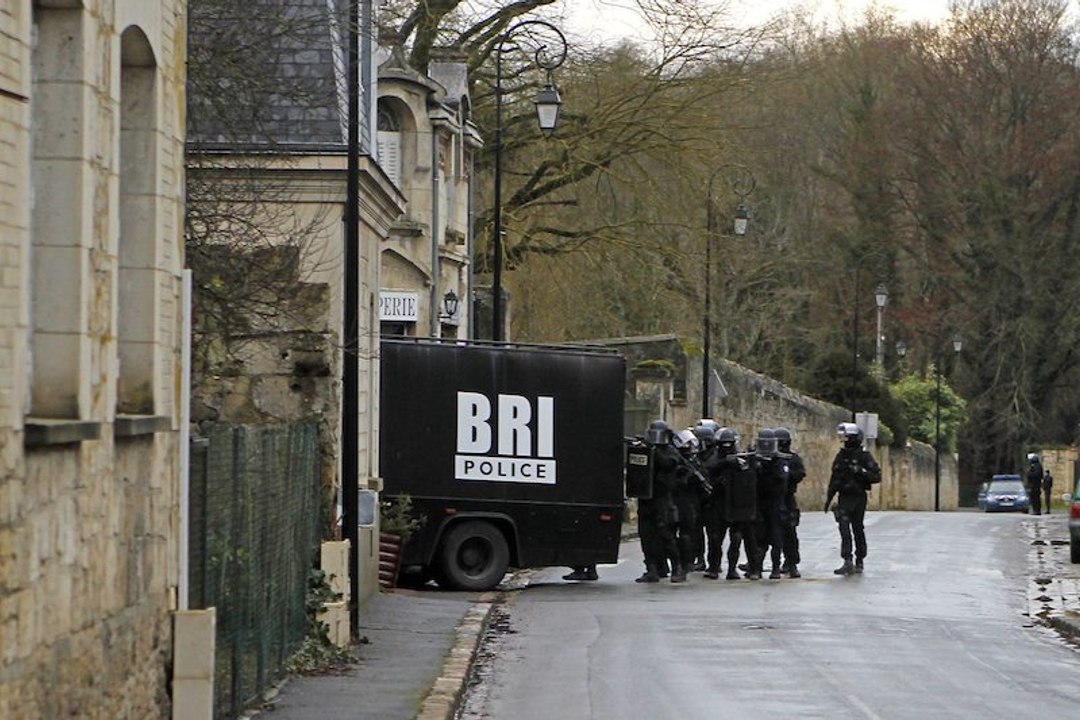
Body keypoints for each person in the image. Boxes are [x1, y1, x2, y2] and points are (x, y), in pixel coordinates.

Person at [824, 422, 881, 576]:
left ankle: (860, 559)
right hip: (844, 497)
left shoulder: (864, 456)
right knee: (843, 527)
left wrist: (861, 471)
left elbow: (876, 476)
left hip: (858, 497)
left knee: (857, 528)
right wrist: (829, 498)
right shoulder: (841, 456)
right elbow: (834, 478)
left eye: (847, 438)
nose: (844, 441)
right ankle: (847, 560)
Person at [635, 420, 683, 583]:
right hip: (646, 498)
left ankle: (677, 567)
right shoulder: (645, 450)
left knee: (666, 535)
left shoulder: (670, 451)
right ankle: (652, 569)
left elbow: (668, 464)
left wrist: (653, 450)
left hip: (662, 499)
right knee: (646, 536)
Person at [752, 428, 788, 579]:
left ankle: (775, 568)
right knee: (759, 537)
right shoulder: (754, 460)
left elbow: (782, 484)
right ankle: (756, 568)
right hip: (760, 504)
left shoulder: (780, 461)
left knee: (776, 537)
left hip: (775, 504)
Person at [774, 427, 805, 578]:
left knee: (789, 533)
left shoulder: (792, 459)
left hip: (787, 498)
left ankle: (791, 562)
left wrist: (785, 473)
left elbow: (800, 473)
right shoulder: (772, 458)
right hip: (773, 499)